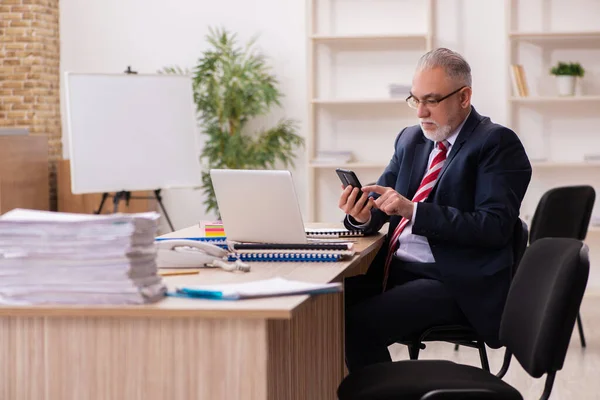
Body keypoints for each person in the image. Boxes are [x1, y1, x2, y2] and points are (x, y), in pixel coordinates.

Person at [339, 48, 532, 372]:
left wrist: (414, 211)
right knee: (321, 305)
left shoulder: (496, 143)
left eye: (431, 100)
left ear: (464, 96)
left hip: (455, 281)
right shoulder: (411, 139)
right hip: (395, 270)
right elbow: (382, 205)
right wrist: (362, 215)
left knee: (358, 325)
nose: (420, 112)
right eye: (415, 100)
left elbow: (494, 226)